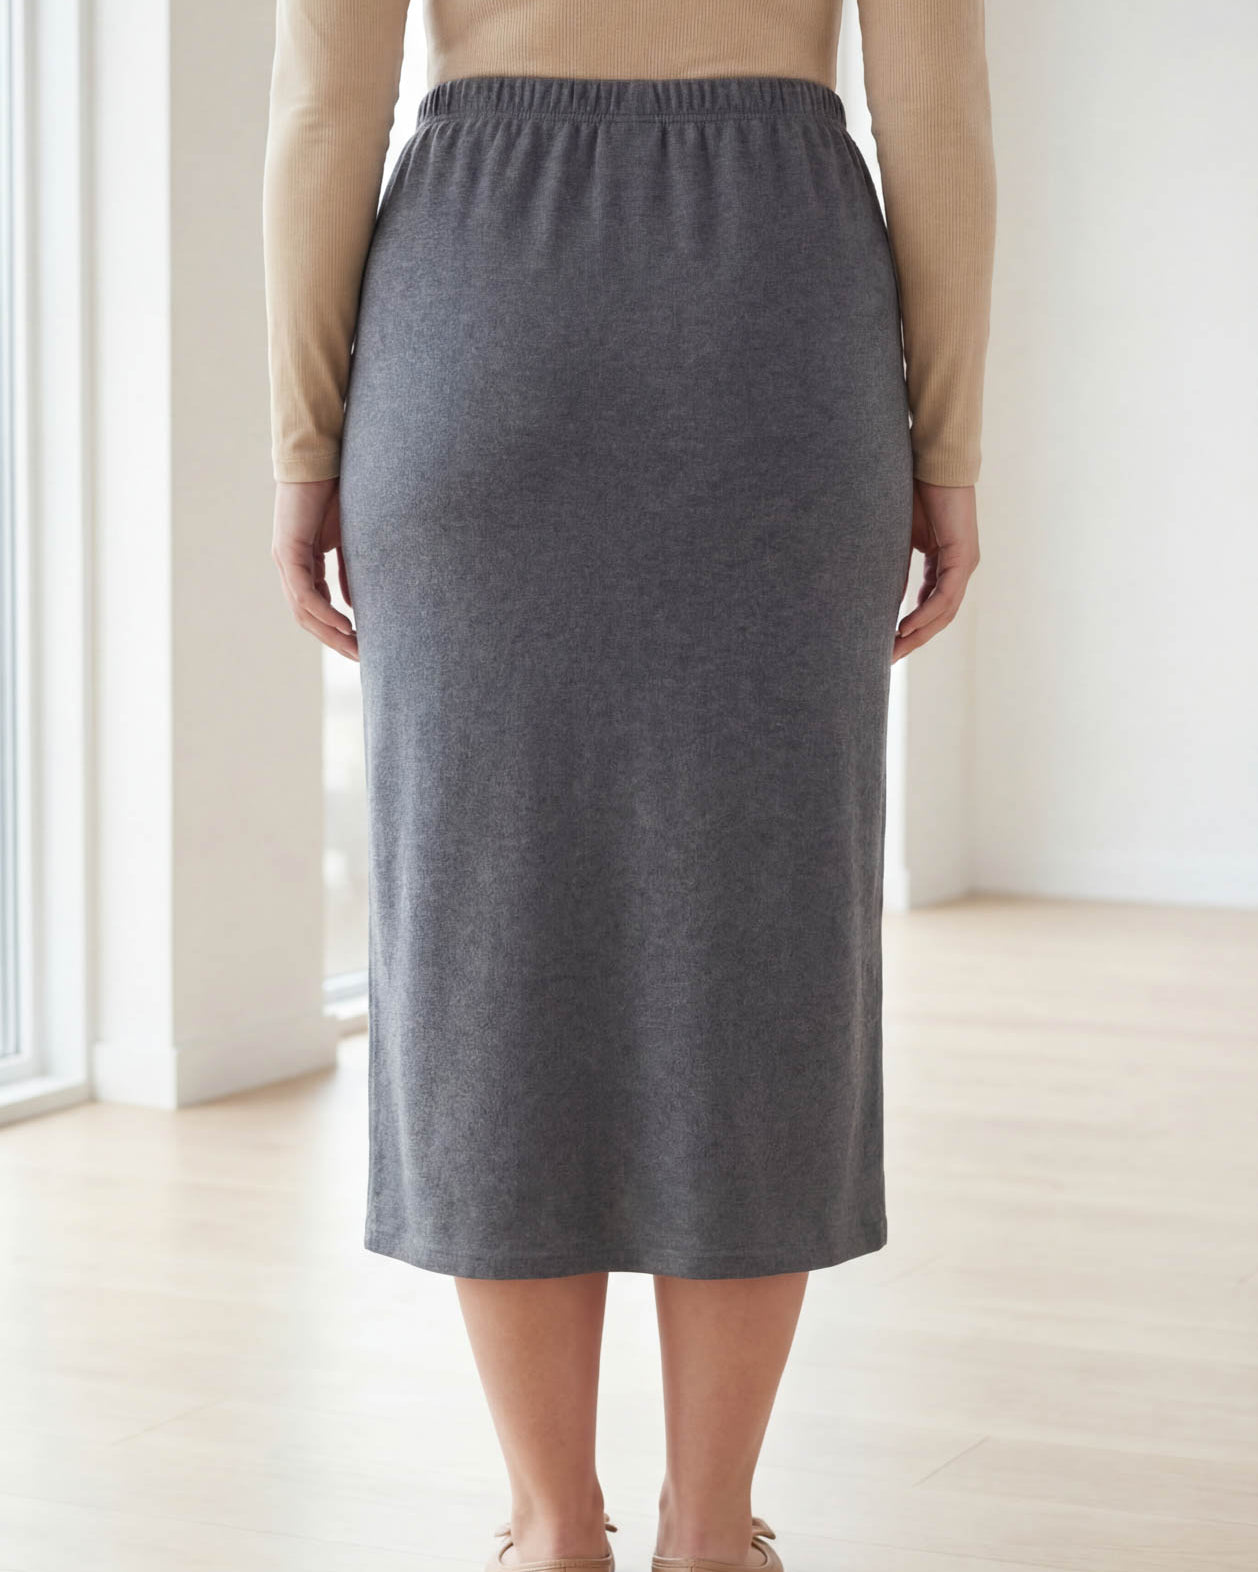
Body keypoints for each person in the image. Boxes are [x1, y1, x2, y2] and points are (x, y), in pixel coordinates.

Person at [262, 3, 996, 1569]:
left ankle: (547, 1528)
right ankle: (713, 1532)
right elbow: (933, 115)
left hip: (477, 303)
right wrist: (947, 444)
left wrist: (302, 442)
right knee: (757, 940)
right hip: (772, 311)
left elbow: (328, 108)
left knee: (487, 933)